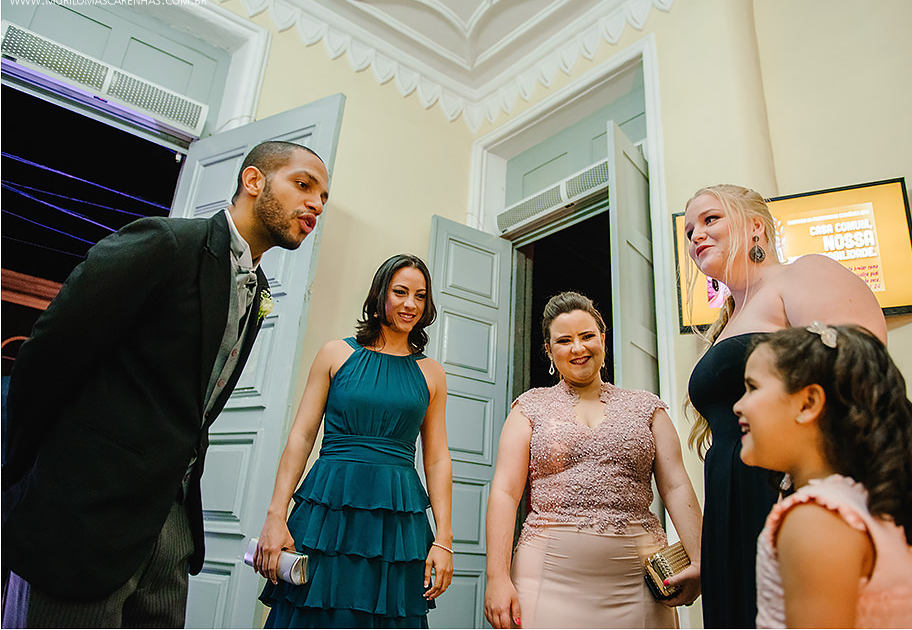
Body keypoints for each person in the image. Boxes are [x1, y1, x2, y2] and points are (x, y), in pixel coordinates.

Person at [1, 141, 329, 627]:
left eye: (324, 198)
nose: (316, 205)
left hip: (169, 532)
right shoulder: (166, 244)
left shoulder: (257, 291)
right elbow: (47, 357)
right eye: (304, 185)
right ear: (254, 181)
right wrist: (23, 481)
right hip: (83, 521)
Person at [682, 184, 887, 628]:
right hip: (729, 502)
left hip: (785, 487)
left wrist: (810, 485)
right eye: (688, 230)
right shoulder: (726, 322)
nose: (696, 234)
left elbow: (862, 370)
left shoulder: (801, 276)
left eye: (710, 219)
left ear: (756, 226)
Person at [253, 254, 453, 628]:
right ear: (380, 295)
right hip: (329, 508)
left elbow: (438, 458)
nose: (411, 304)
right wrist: (275, 514)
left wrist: (444, 538)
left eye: (421, 296)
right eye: (401, 292)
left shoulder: (432, 373)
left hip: (396, 519)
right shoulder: (335, 353)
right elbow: (301, 436)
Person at [484, 291, 702, 629]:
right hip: (547, 575)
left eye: (587, 336)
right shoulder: (529, 407)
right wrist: (496, 578)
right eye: (564, 340)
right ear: (549, 351)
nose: (578, 348)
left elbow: (676, 485)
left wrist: (702, 558)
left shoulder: (646, 408)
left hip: (636, 583)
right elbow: (505, 493)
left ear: (603, 338)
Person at [734, 323, 912, 628]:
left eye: (752, 387)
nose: (738, 405)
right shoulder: (872, 507)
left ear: (808, 403)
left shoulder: (816, 518)